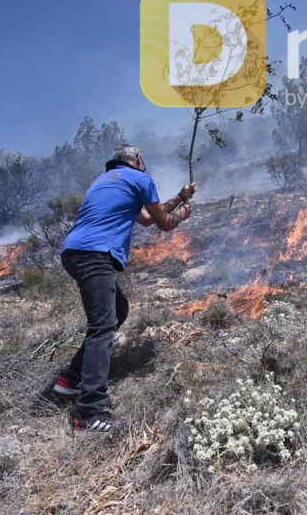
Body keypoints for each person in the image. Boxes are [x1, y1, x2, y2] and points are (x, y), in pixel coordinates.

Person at [53, 144, 195, 434]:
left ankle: (70, 380)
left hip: (75, 252)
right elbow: (164, 223)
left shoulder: (105, 180)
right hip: (95, 254)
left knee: (118, 309)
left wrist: (180, 198)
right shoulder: (141, 179)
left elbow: (145, 219)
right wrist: (183, 213)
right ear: (139, 160)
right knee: (102, 326)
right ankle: (90, 412)